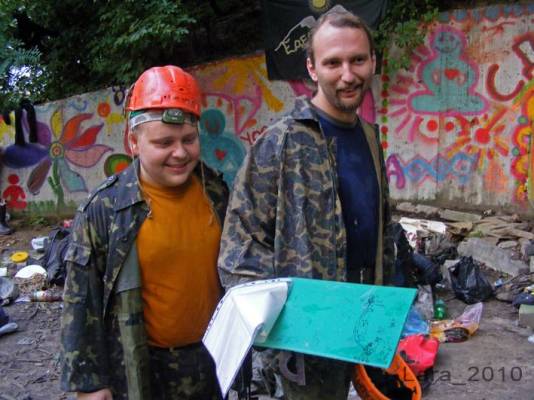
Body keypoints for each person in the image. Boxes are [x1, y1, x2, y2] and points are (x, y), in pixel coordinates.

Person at [218, 10, 394, 400]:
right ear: (312, 68)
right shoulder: (281, 142)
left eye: (357, 60)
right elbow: (237, 252)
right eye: (333, 63)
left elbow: (381, 230)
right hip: (306, 342)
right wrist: (284, 329)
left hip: (365, 322)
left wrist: (390, 309)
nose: (347, 75)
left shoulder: (370, 137)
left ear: (373, 61)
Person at [60, 65, 228, 400]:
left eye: (189, 139)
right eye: (164, 142)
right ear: (133, 142)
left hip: (213, 360)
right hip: (140, 369)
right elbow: (81, 300)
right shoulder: (105, 209)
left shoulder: (216, 192)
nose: (180, 153)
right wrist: (89, 383)